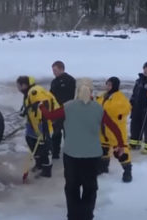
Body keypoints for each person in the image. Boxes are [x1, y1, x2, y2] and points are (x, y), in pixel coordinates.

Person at [40, 78, 125, 220]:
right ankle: (86, 215)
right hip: (92, 157)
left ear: (77, 91)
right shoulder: (98, 108)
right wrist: (120, 144)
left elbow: (49, 116)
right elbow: (115, 128)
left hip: (71, 156)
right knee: (90, 188)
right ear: (91, 91)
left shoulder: (68, 106)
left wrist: (42, 106)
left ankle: (73, 216)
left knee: (72, 188)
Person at [17, 76, 59, 177]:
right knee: (30, 139)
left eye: (19, 86)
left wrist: (43, 123)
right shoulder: (29, 92)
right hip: (33, 123)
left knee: (45, 147)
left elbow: (45, 105)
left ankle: (47, 170)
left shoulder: (35, 91)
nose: (18, 88)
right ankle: (39, 163)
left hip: (43, 123)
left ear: (24, 85)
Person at [96, 77, 132, 182]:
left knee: (121, 152)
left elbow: (124, 109)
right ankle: (103, 168)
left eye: (110, 85)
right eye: (107, 84)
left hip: (114, 131)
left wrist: (103, 110)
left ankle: (127, 171)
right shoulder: (102, 96)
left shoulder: (120, 98)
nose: (107, 86)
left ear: (115, 86)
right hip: (102, 130)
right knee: (103, 150)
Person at [50, 61, 76, 159]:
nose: (53, 72)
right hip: (56, 111)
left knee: (68, 133)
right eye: (53, 70)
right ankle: (55, 152)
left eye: (55, 70)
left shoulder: (70, 80)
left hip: (68, 111)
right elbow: (51, 96)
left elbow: (72, 96)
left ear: (61, 69)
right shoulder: (54, 81)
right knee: (56, 132)